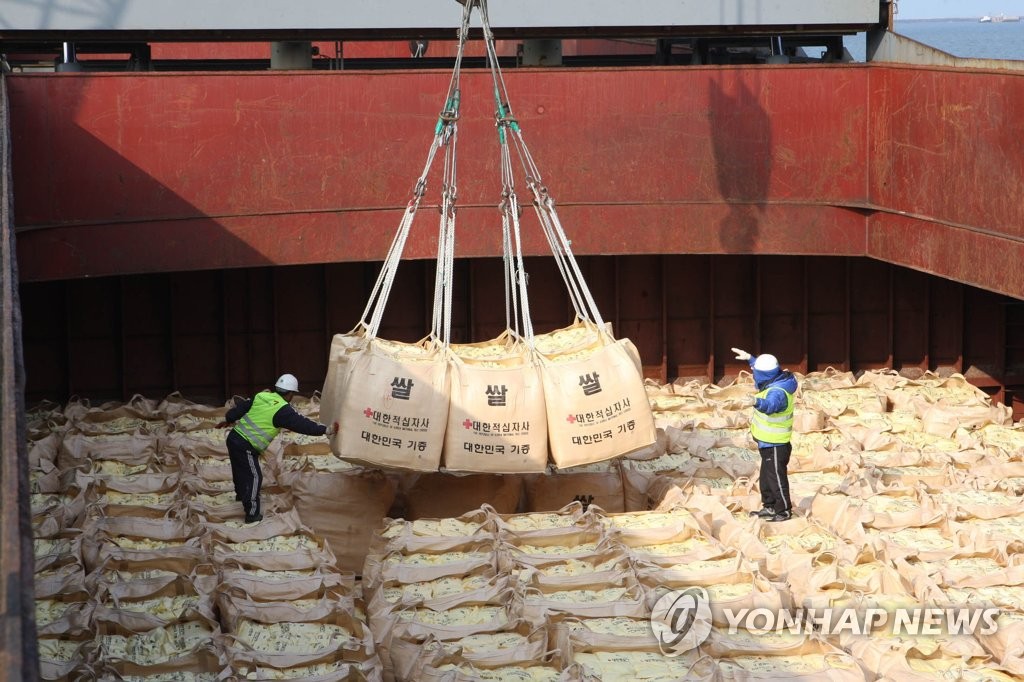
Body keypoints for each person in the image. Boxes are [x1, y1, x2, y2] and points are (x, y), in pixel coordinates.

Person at [220, 373, 337, 523]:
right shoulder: (283, 410)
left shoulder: (262, 396)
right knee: (254, 476)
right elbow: (303, 424)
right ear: (290, 394)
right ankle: (252, 513)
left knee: (240, 470)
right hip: (246, 446)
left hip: (234, 438)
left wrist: (228, 418)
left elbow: (242, 407)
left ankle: (241, 495)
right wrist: (325, 430)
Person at [731, 348, 798, 522]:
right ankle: (769, 506)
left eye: (756, 373)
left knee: (776, 479)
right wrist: (751, 359)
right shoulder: (776, 379)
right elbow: (765, 371)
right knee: (767, 479)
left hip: (776, 444)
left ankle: (783, 510)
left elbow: (771, 405)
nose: (754, 376)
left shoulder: (778, 392)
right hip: (767, 444)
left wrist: (755, 401)